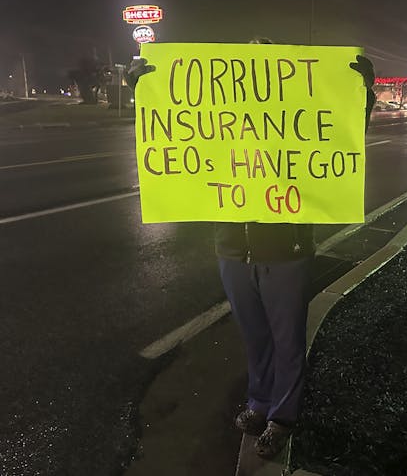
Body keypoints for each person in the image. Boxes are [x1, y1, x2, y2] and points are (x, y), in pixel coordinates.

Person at [128, 46, 376, 458]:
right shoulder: (222, 130)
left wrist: (361, 93)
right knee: (256, 338)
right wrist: (145, 87)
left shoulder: (288, 127)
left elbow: (339, 132)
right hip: (232, 252)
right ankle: (260, 402)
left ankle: (282, 416)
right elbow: (172, 124)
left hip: (286, 254)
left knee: (287, 341)